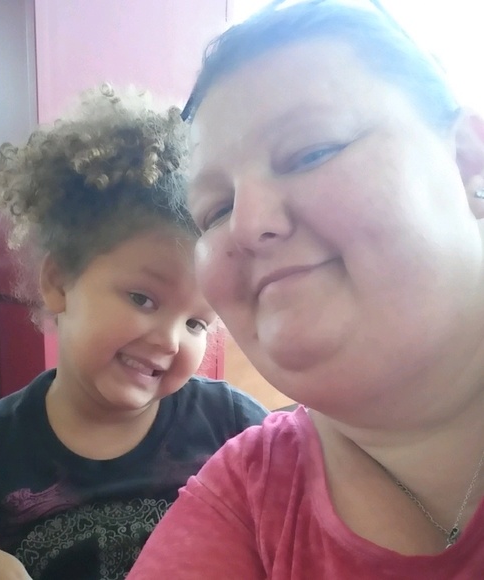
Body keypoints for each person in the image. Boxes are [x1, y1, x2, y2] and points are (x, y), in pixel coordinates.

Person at [127, 1, 484, 578]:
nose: (248, 224)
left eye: (313, 152)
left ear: (466, 159)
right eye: (216, 210)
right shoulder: (242, 497)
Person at [0, 84, 268, 580]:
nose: (170, 340)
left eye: (196, 323)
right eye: (142, 298)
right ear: (59, 282)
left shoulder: (230, 424)